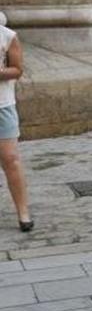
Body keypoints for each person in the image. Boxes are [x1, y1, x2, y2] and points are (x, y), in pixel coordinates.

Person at [0, 24, 32, 232]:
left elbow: (18, 69)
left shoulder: (7, 35)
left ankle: (23, 212)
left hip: (2, 106)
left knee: (11, 159)